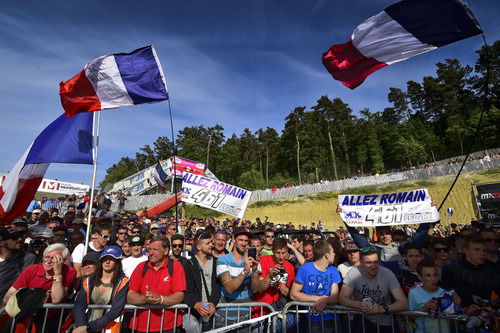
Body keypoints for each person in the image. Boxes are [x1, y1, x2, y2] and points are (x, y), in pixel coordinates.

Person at [339, 247, 408, 333]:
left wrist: (382, 309)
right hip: (361, 319)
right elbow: (342, 298)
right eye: (368, 263)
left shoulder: (387, 274)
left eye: (376, 262)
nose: (373, 266)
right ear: (360, 263)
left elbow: (403, 303)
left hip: (384, 322)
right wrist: (359, 305)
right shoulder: (354, 272)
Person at [127, 236, 185, 333]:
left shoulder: (176, 267)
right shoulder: (141, 267)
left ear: (166, 251)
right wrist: (145, 299)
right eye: (149, 249)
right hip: (142, 326)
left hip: (169, 326)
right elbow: (130, 296)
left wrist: (160, 299)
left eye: (155, 249)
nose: (150, 253)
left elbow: (179, 296)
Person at [73, 246, 129, 333]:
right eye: (105, 258)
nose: (107, 262)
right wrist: (81, 326)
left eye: (111, 259)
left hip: (108, 327)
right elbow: (79, 305)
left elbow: (115, 310)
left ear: (117, 262)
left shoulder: (123, 281)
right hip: (86, 323)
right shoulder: (89, 280)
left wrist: (89, 327)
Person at [441, 234, 500, 314]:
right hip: (459, 317)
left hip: (486, 316)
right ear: (466, 250)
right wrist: (463, 308)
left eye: (484, 250)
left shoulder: (491, 269)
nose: (482, 253)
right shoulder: (450, 270)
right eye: (477, 250)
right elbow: (446, 297)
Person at [290, 239, 341, 332]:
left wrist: (325, 300)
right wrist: (319, 298)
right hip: (312, 319)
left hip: (332, 318)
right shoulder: (304, 269)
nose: (334, 254)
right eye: (332, 252)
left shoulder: (334, 271)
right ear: (327, 255)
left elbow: (335, 298)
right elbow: (294, 294)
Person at [216, 227, 258, 328]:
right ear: (233, 240)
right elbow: (229, 288)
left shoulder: (252, 260)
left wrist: (255, 270)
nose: (243, 244)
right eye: (240, 240)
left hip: (245, 317)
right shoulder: (223, 260)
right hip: (224, 317)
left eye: (246, 241)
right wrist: (245, 271)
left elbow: (256, 289)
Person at [183, 231, 221, 332]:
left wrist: (213, 303)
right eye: (208, 243)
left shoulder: (216, 262)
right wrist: (195, 303)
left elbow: (217, 286)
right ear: (199, 247)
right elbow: (187, 288)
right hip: (195, 311)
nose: (211, 245)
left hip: (211, 311)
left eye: (212, 243)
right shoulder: (189, 263)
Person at [408, 260, 451, 333]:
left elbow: (454, 319)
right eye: (428, 275)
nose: (433, 279)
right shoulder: (414, 293)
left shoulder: (445, 293)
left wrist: (457, 304)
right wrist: (424, 308)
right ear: (420, 277)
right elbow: (409, 318)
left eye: (435, 275)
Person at [0, 227, 37, 302]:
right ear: (1, 242)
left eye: (21, 237)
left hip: (8, 307)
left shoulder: (28, 258)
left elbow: (23, 283)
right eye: (14, 238)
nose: (20, 239)